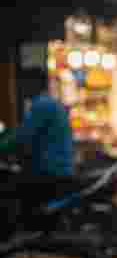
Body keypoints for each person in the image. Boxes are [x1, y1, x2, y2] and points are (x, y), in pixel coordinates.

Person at [0, 67, 74, 237]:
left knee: (11, 187)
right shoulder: (49, 104)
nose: (22, 87)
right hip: (57, 167)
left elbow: (22, 137)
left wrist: (3, 147)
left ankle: (24, 231)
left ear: (34, 84)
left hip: (49, 170)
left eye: (25, 83)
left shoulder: (42, 106)